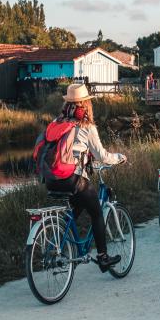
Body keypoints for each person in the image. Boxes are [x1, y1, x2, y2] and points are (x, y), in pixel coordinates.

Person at [45, 83, 126, 272]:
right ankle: (103, 257)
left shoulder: (57, 123)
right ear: (85, 104)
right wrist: (119, 158)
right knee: (96, 212)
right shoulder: (86, 126)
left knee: (80, 203)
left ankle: (67, 243)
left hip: (51, 179)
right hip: (73, 179)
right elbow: (103, 156)